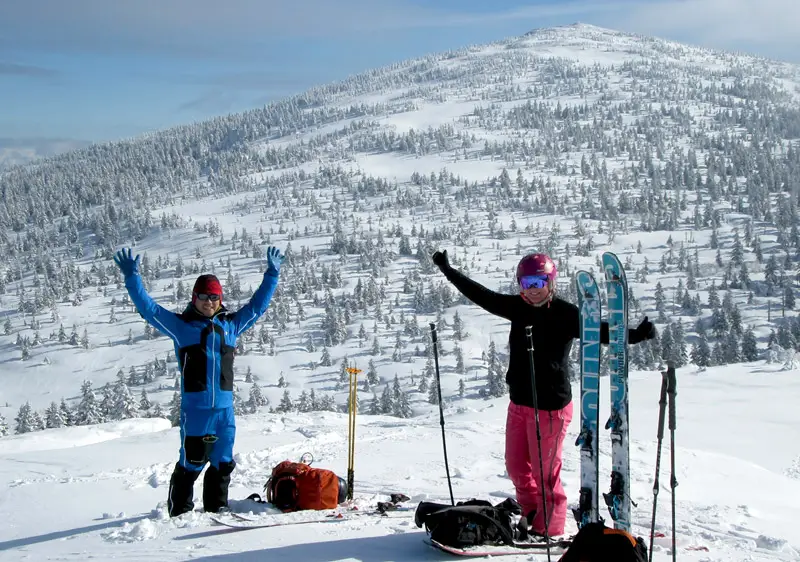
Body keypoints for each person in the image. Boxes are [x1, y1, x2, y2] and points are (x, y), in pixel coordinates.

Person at [431, 249, 655, 538]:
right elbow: (484, 297)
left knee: (545, 476)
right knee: (516, 468)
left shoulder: (566, 314)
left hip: (551, 408)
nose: (533, 290)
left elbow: (601, 332)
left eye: (539, 283)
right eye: (526, 284)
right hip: (519, 404)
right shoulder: (517, 308)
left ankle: (549, 530)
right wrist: (448, 271)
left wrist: (634, 335)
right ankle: (531, 513)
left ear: (551, 282)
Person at [113, 246, 284, 517]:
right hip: (196, 410)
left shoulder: (231, 326)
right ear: (194, 298)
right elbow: (149, 310)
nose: (208, 301)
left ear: (220, 299)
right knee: (191, 463)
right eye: (203, 296)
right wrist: (132, 278)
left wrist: (272, 274)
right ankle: (178, 514)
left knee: (222, 463)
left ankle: (217, 509)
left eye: (214, 296)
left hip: (225, 411)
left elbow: (257, 307)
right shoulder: (182, 327)